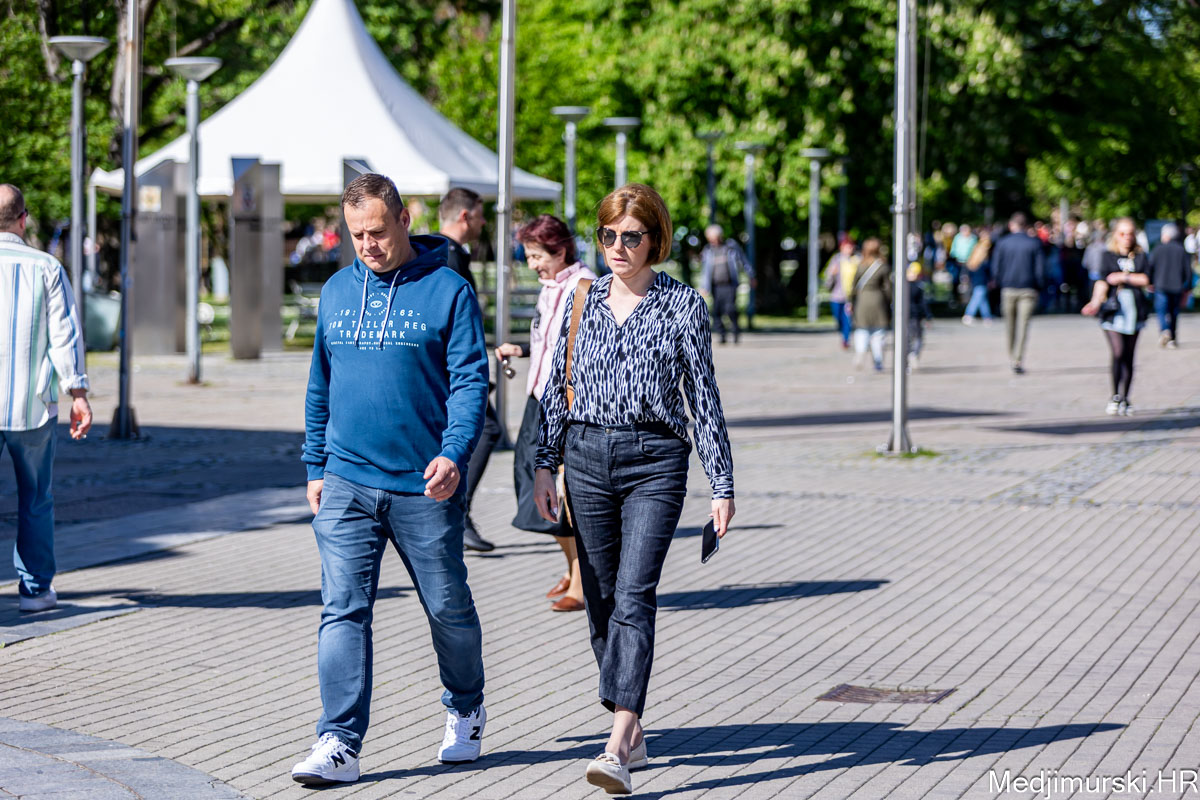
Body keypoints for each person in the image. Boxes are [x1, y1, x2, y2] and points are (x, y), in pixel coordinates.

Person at [532, 184, 734, 795]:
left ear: (655, 240)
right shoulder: (582, 300)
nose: (617, 247)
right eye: (607, 235)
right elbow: (556, 385)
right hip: (585, 457)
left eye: (631, 237)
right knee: (598, 597)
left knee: (634, 594)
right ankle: (635, 726)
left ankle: (618, 743)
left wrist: (721, 483)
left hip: (655, 461)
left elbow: (703, 396)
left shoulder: (682, 304)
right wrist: (544, 464)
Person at [294, 174, 490, 785]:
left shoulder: (449, 290)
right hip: (346, 480)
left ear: (405, 220)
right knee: (342, 610)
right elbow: (320, 383)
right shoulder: (336, 291)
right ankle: (339, 741)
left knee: (447, 607)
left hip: (424, 483)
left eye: (377, 232)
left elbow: (470, 383)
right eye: (356, 235)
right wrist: (315, 464)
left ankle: (466, 706)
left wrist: (454, 454)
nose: (367, 246)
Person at [494, 215, 596, 613]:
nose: (532, 264)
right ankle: (572, 569)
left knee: (567, 494)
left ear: (561, 250)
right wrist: (522, 349)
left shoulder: (585, 287)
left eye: (537, 256)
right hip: (539, 399)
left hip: (567, 405)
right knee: (532, 485)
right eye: (529, 256)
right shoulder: (550, 287)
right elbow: (550, 342)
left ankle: (583, 583)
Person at [0, 184, 92, 613]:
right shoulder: (46, 267)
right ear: (24, 219)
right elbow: (64, 336)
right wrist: (78, 394)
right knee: (36, 498)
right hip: (31, 405)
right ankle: (35, 591)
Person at [436, 187, 496, 552]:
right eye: (480, 214)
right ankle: (457, 509)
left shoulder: (443, 252)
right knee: (486, 428)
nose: (483, 222)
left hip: (452, 369)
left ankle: (455, 509)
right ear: (464, 216)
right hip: (451, 372)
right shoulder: (449, 257)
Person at [1081, 217, 1151, 416]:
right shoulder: (1108, 256)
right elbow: (1102, 281)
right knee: (1118, 352)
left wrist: (1123, 277)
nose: (1127, 237)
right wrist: (1095, 302)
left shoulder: (1140, 256)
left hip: (1135, 309)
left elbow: (1146, 279)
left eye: (1130, 233)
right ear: (1116, 235)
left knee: (1129, 355)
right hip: (1114, 310)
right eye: (1122, 233)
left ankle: (1126, 397)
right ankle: (1114, 396)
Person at [991, 212, 1045, 374]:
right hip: (1028, 289)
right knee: (1023, 325)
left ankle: (1012, 356)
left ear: (1011, 225)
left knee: (1010, 325)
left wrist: (998, 282)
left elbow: (996, 267)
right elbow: (1040, 269)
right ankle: (1018, 359)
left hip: (1008, 288)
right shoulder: (1034, 243)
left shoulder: (1003, 243)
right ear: (1026, 225)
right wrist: (1039, 286)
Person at [699, 223, 753, 344]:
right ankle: (722, 335)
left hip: (729, 284)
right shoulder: (708, 250)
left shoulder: (730, 247)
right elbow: (705, 270)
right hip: (715, 285)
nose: (712, 241)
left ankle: (735, 331)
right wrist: (704, 287)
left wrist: (751, 275)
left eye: (714, 238)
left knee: (730, 309)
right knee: (716, 311)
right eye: (710, 239)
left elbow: (743, 260)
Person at [847, 237, 891, 372]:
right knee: (878, 333)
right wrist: (889, 302)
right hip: (878, 300)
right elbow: (888, 288)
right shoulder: (883, 267)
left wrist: (851, 302)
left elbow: (854, 286)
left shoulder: (860, 265)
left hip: (863, 300)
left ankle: (860, 353)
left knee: (862, 330)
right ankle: (878, 360)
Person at [1149, 222, 1192, 348]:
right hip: (1177, 286)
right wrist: (1188, 287)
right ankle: (1172, 337)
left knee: (1161, 310)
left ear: (1165, 235)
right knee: (1174, 312)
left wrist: (1150, 282)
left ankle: (1165, 330)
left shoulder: (1157, 249)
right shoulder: (1181, 250)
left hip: (1160, 285)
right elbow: (1188, 271)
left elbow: (1150, 267)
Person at [824, 235, 858, 349]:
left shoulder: (856, 260)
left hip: (850, 296)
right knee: (838, 318)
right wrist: (831, 274)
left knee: (847, 319)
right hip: (837, 295)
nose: (849, 249)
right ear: (841, 248)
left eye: (851, 247)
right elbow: (827, 279)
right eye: (847, 247)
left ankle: (845, 339)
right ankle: (842, 333)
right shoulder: (836, 259)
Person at [961, 228, 993, 325]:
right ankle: (968, 314)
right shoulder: (984, 261)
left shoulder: (974, 258)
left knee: (982, 299)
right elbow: (988, 271)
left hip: (975, 281)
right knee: (976, 298)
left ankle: (987, 316)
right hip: (982, 281)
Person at [906, 262, 931, 371]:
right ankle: (913, 354)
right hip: (915, 316)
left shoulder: (900, 286)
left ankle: (909, 356)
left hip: (905, 316)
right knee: (918, 338)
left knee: (907, 338)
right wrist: (928, 316)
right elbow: (923, 303)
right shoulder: (919, 286)